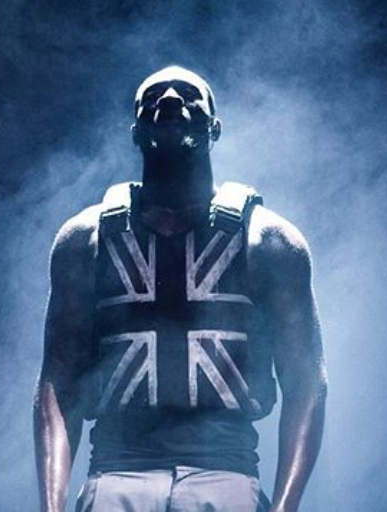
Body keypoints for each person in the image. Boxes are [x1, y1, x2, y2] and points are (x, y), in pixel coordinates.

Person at [34, 66, 327, 512]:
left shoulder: (268, 242)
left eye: (189, 93)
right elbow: (57, 383)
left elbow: (306, 382)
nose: (170, 97)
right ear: (136, 131)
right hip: (116, 475)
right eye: (153, 96)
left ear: (215, 128)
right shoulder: (85, 240)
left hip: (224, 477)